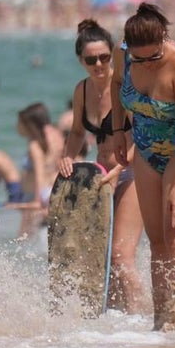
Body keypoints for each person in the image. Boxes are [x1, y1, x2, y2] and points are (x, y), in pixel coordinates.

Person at [110, 3, 175, 330]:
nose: (145, 64)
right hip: (145, 148)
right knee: (157, 240)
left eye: (152, 57)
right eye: (138, 58)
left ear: (164, 41)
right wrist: (118, 130)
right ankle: (163, 321)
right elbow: (116, 85)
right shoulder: (124, 54)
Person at [57, 18, 144, 312]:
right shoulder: (82, 90)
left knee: (121, 255)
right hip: (101, 175)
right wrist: (67, 156)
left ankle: (142, 324)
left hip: (132, 173)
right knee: (101, 259)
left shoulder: (125, 87)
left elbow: (144, 137)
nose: (99, 64)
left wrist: (121, 168)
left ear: (113, 55)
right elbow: (78, 133)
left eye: (105, 57)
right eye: (91, 60)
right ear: (81, 60)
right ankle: (114, 324)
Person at [15, 103, 63, 237]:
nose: (17, 126)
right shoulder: (57, 135)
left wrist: (37, 200)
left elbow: (39, 173)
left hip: (35, 194)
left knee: (24, 239)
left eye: (21, 123)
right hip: (52, 189)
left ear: (31, 124)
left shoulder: (35, 143)